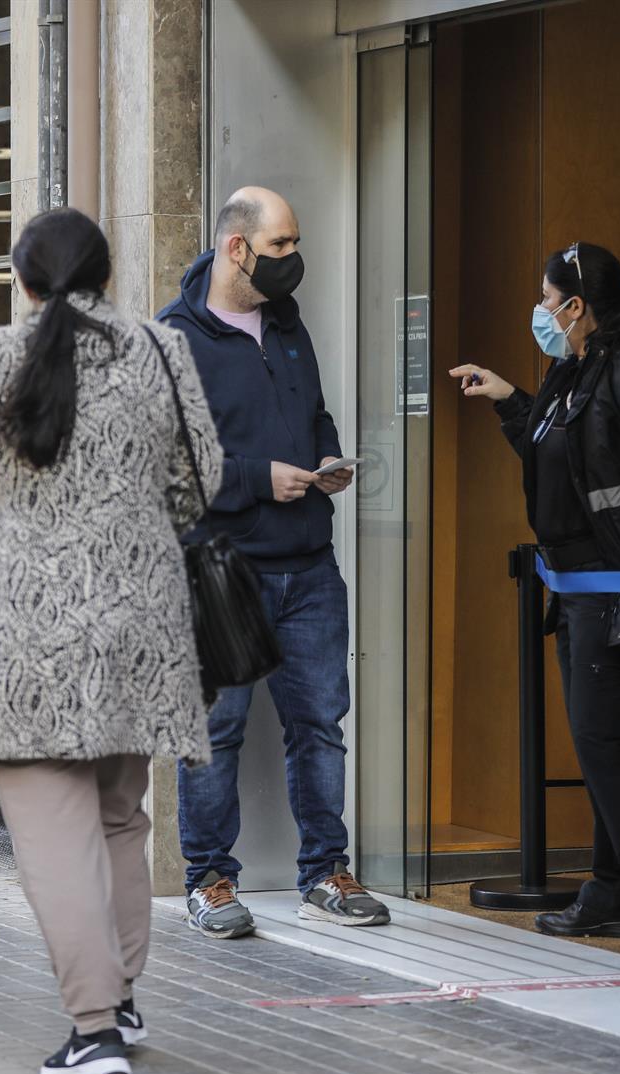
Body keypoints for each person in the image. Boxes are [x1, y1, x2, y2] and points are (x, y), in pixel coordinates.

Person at [0, 208, 223, 1074]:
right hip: (141, 624)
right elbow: (202, 478)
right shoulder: (162, 350)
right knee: (116, 818)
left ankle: (94, 1027)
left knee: (51, 837)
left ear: (23, 280)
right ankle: (123, 998)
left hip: (28, 634)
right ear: (109, 273)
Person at [160, 186, 390, 939]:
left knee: (320, 725)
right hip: (222, 570)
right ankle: (210, 882)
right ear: (237, 248)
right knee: (216, 731)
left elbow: (314, 408)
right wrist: (263, 478)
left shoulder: (287, 323)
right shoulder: (175, 339)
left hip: (310, 566)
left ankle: (326, 871)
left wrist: (324, 454)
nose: (295, 260)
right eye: (282, 246)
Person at [449, 242, 620, 940]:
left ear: (577, 306)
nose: (542, 312)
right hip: (582, 587)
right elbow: (552, 448)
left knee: (601, 743)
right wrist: (508, 400)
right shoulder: (571, 372)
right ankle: (613, 884)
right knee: (602, 741)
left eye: (547, 299)